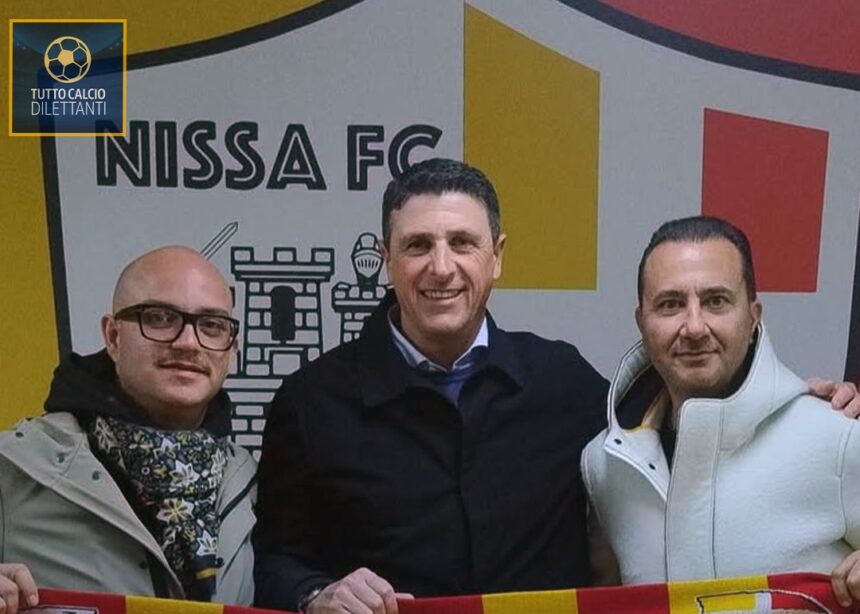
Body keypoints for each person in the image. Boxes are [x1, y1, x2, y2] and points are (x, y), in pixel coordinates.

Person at [253, 158, 609, 612]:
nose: (441, 268)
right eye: (418, 245)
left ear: (497, 256)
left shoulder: (565, 382)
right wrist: (314, 594)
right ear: (386, 258)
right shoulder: (310, 401)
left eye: (462, 243)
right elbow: (274, 561)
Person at [581, 216, 860, 607]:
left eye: (716, 301)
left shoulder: (839, 436)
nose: (694, 327)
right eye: (670, 304)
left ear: (753, 315)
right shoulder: (605, 464)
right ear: (642, 322)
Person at [0, 246, 256, 612]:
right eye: (159, 318)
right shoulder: (15, 466)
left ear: (231, 348)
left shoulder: (252, 481)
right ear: (113, 337)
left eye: (212, 325)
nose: (187, 342)